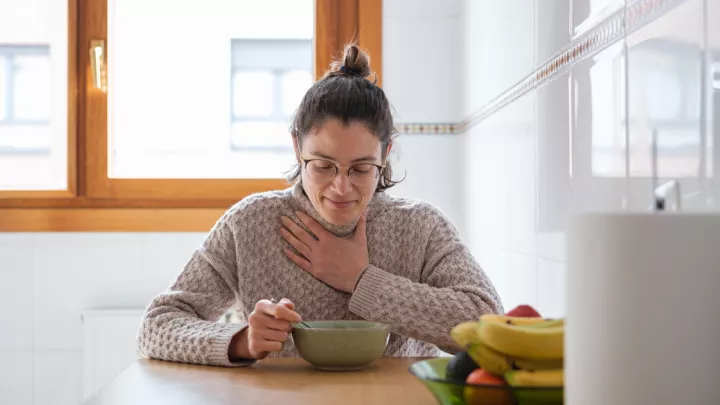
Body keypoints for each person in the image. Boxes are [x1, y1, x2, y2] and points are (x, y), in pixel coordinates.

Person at [136, 43, 503, 367]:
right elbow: (156, 325)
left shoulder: (420, 227)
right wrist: (240, 341)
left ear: (386, 154)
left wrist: (361, 281)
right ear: (297, 148)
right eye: (323, 166)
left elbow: (489, 325)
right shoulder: (250, 223)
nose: (340, 187)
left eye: (361, 168)